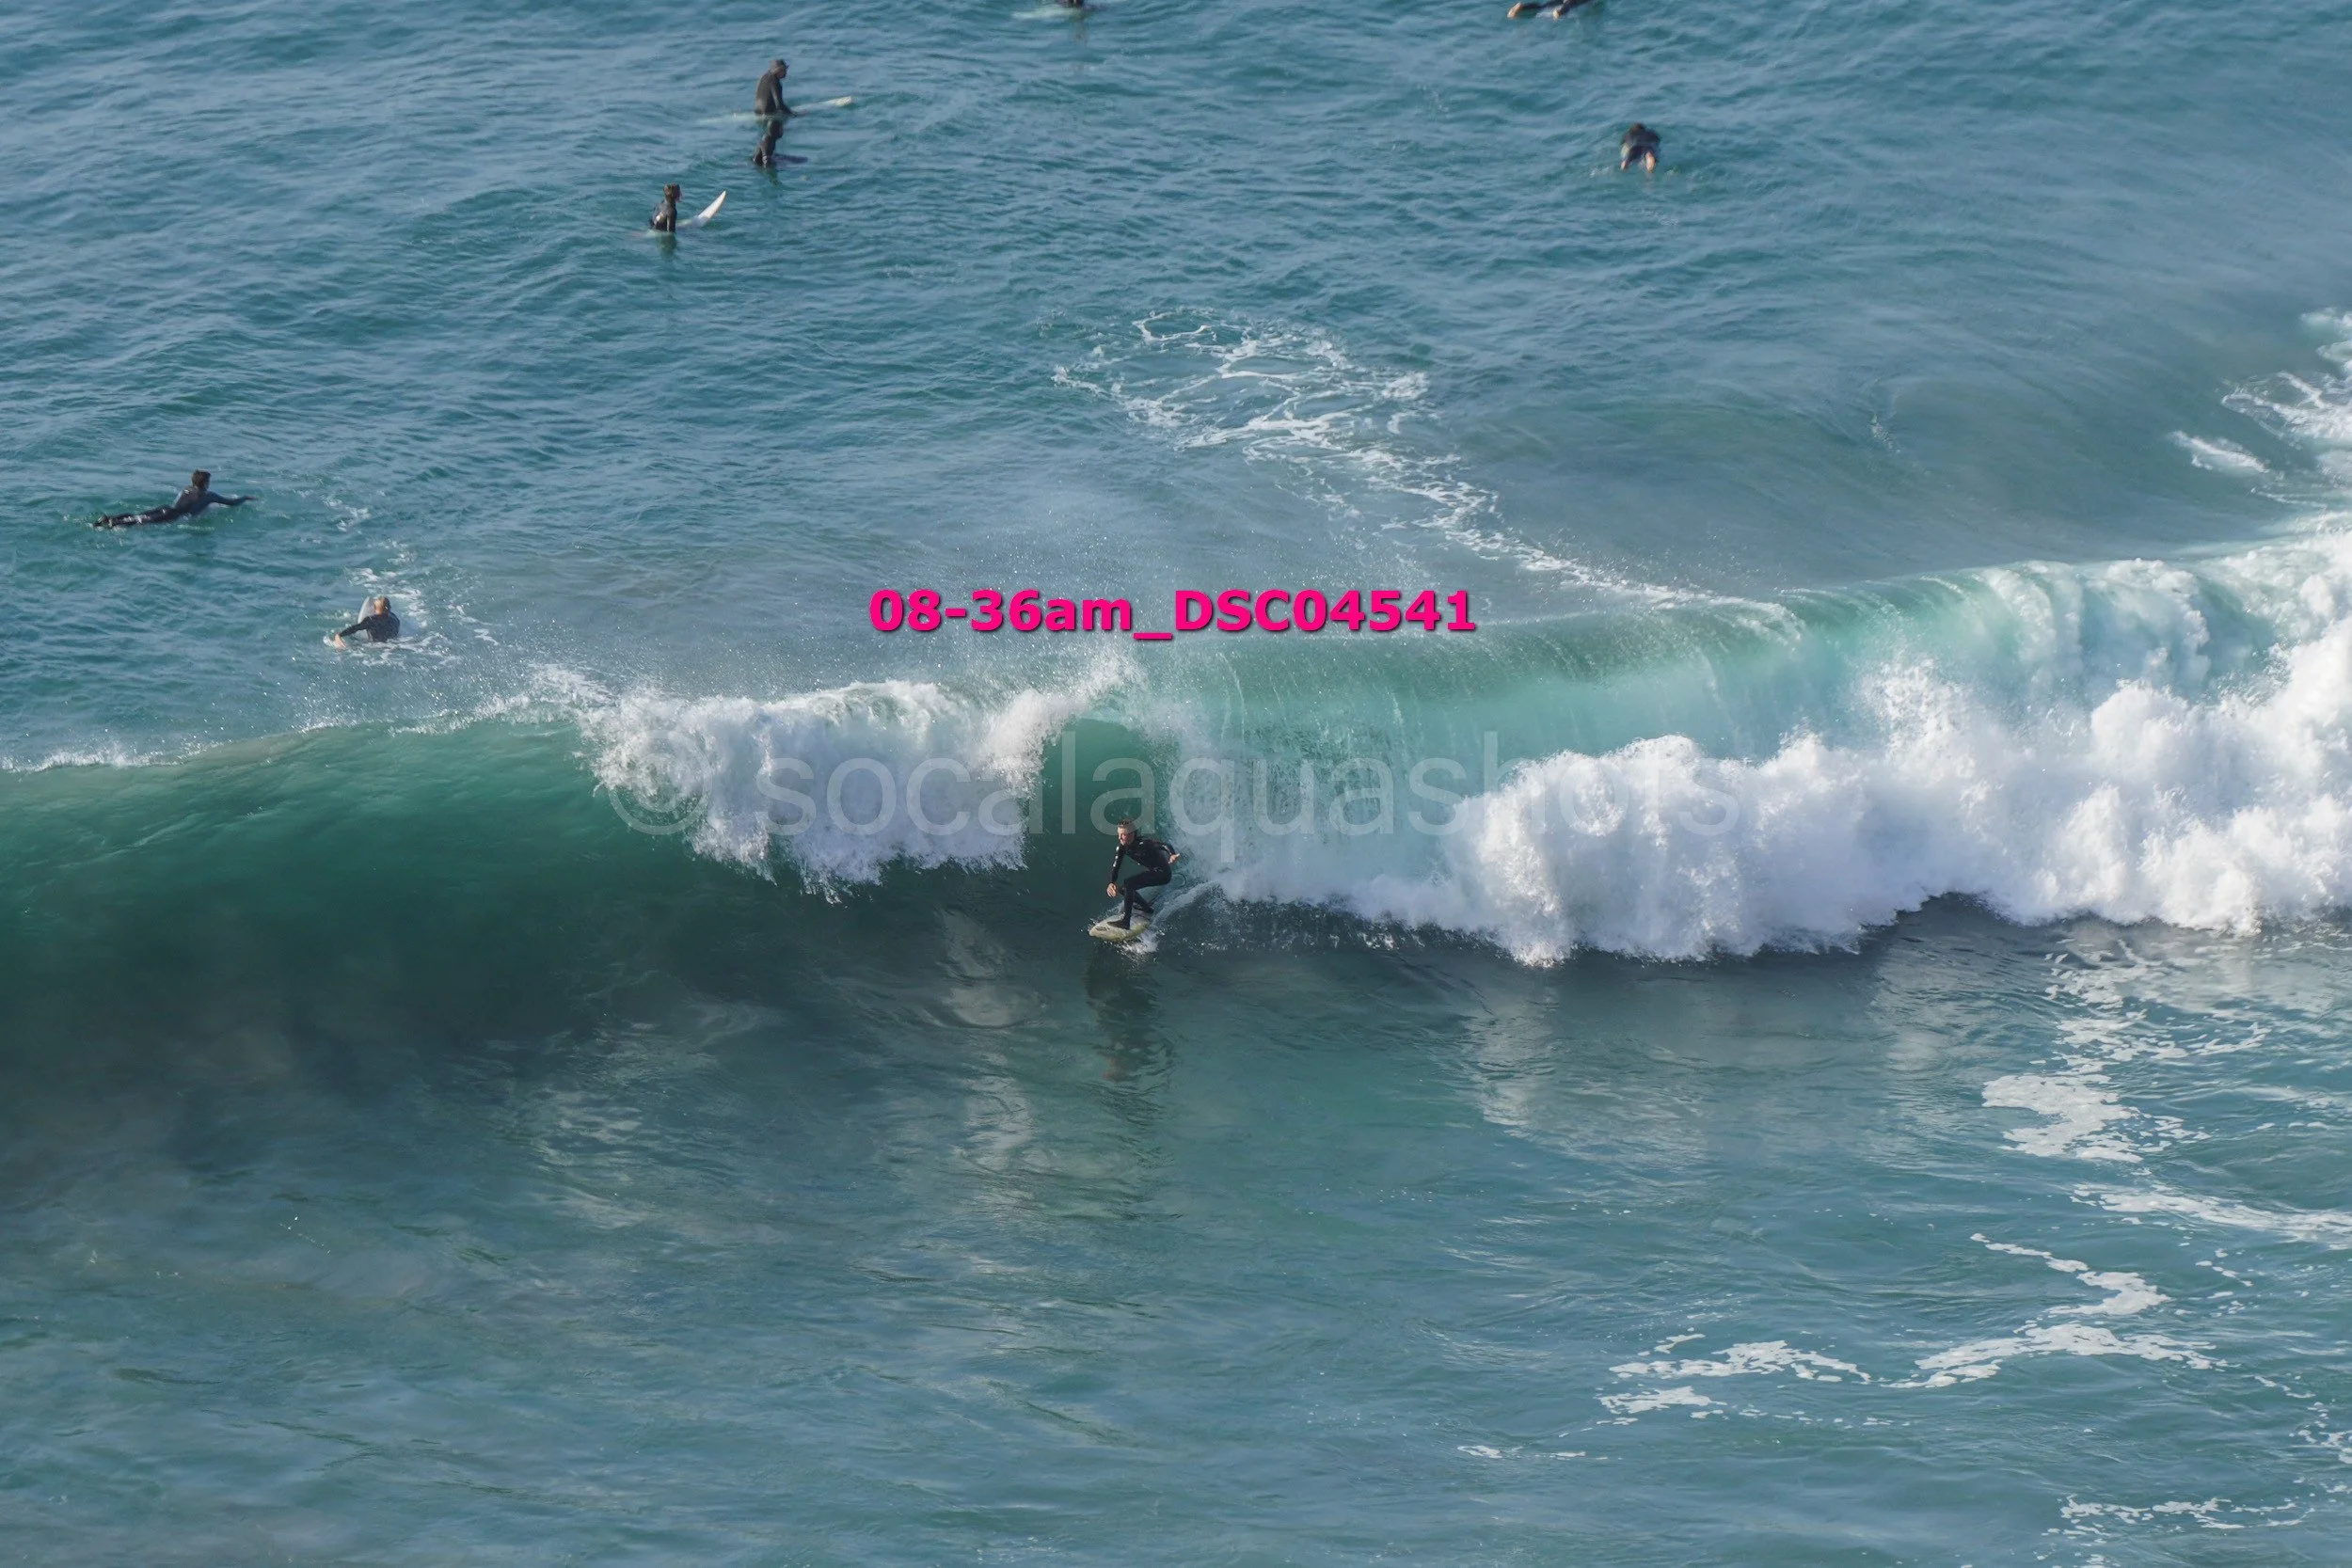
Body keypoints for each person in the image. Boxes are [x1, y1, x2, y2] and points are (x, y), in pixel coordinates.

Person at [93, 469, 255, 529]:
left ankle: (110, 518)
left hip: (166, 508)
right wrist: (245, 498)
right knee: (140, 522)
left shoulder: (186, 488)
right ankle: (114, 523)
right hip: (173, 516)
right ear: (205, 483)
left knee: (138, 515)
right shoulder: (209, 496)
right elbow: (231, 503)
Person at [1103, 818, 1179, 930]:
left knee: (1129, 884)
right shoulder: (1121, 848)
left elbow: (1164, 845)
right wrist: (1111, 883)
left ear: (1132, 834)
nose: (1119, 838)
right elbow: (1116, 866)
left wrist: (1172, 854)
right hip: (1153, 872)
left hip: (1164, 874)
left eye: (1123, 835)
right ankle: (1146, 908)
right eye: (1118, 834)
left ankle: (1125, 922)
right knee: (1124, 888)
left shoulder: (1144, 843)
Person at [333, 596, 400, 647]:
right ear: (389, 607)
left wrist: (339, 635)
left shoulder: (371, 620)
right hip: (392, 645)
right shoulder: (394, 618)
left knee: (353, 639)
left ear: (375, 608)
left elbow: (355, 628)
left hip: (375, 646)